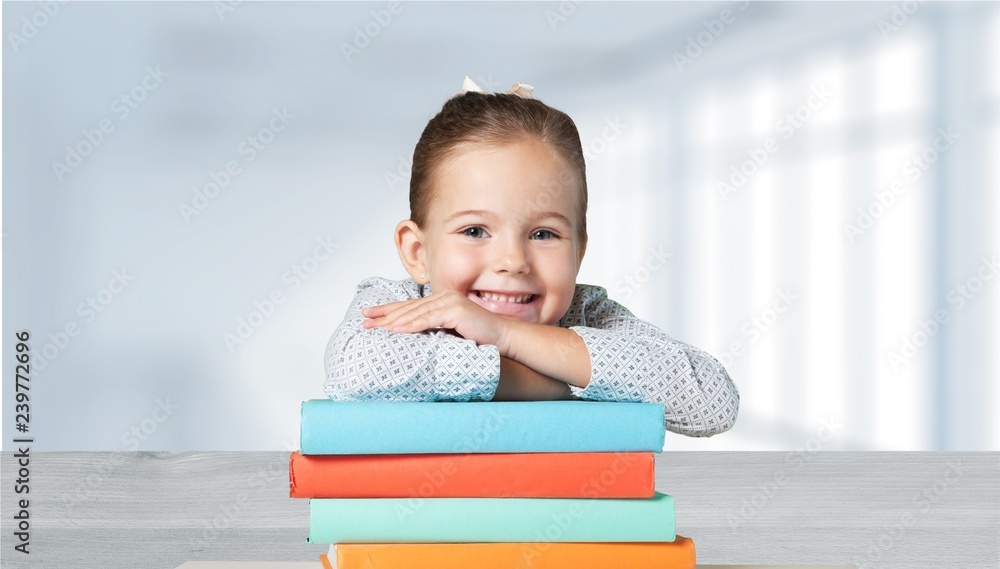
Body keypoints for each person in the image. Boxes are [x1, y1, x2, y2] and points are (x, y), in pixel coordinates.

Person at [324, 77, 739, 437]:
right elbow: (355, 371)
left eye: (543, 233)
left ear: (579, 252)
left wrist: (507, 336)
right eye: (474, 231)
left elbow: (713, 401)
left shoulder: (586, 314)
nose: (512, 261)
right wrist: (552, 380)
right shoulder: (400, 304)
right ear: (418, 252)